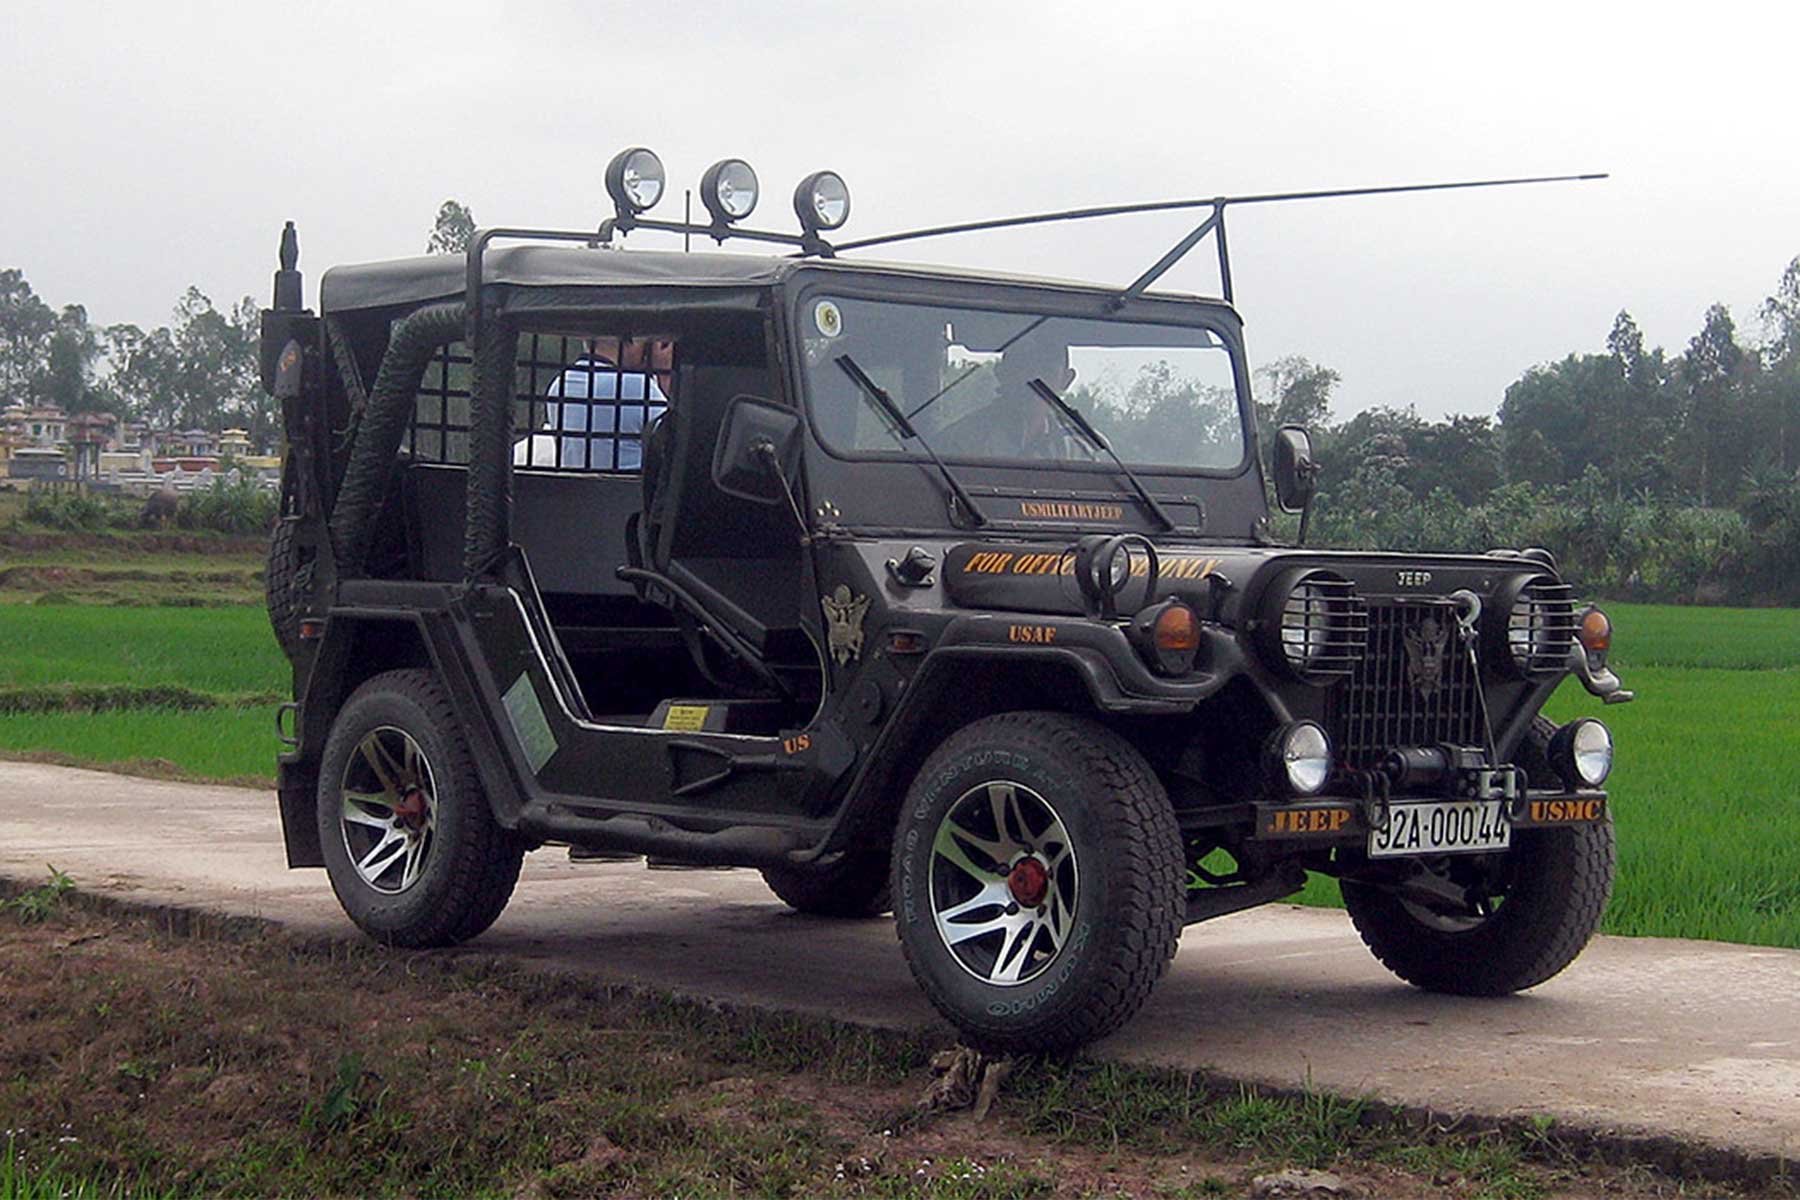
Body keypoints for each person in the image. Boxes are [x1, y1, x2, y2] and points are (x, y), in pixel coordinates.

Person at [515, 335, 672, 471]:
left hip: (581, 498)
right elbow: (680, 448)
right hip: (636, 499)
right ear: (633, 341)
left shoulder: (559, 385)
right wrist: (664, 375)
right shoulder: (636, 387)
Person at [935, 336, 1080, 460]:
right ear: (1001, 373)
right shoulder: (956, 443)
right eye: (1021, 369)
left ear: (1066, 380)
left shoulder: (1083, 449)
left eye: (1047, 371)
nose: (1034, 381)